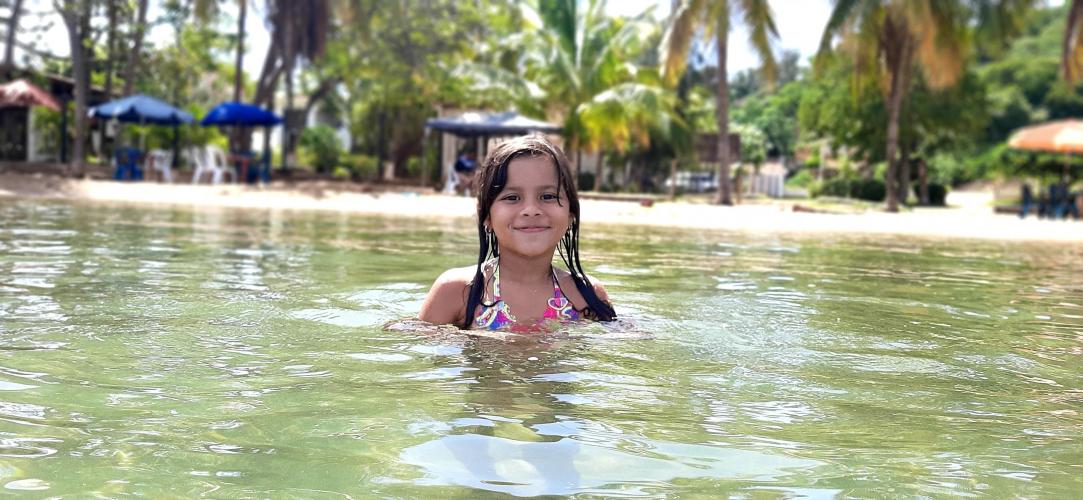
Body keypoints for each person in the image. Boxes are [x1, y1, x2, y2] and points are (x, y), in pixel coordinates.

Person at [418, 134, 616, 332]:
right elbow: (421, 347)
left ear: (570, 213)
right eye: (512, 197)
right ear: (485, 215)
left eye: (547, 196)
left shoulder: (587, 295)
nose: (531, 209)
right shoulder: (458, 291)